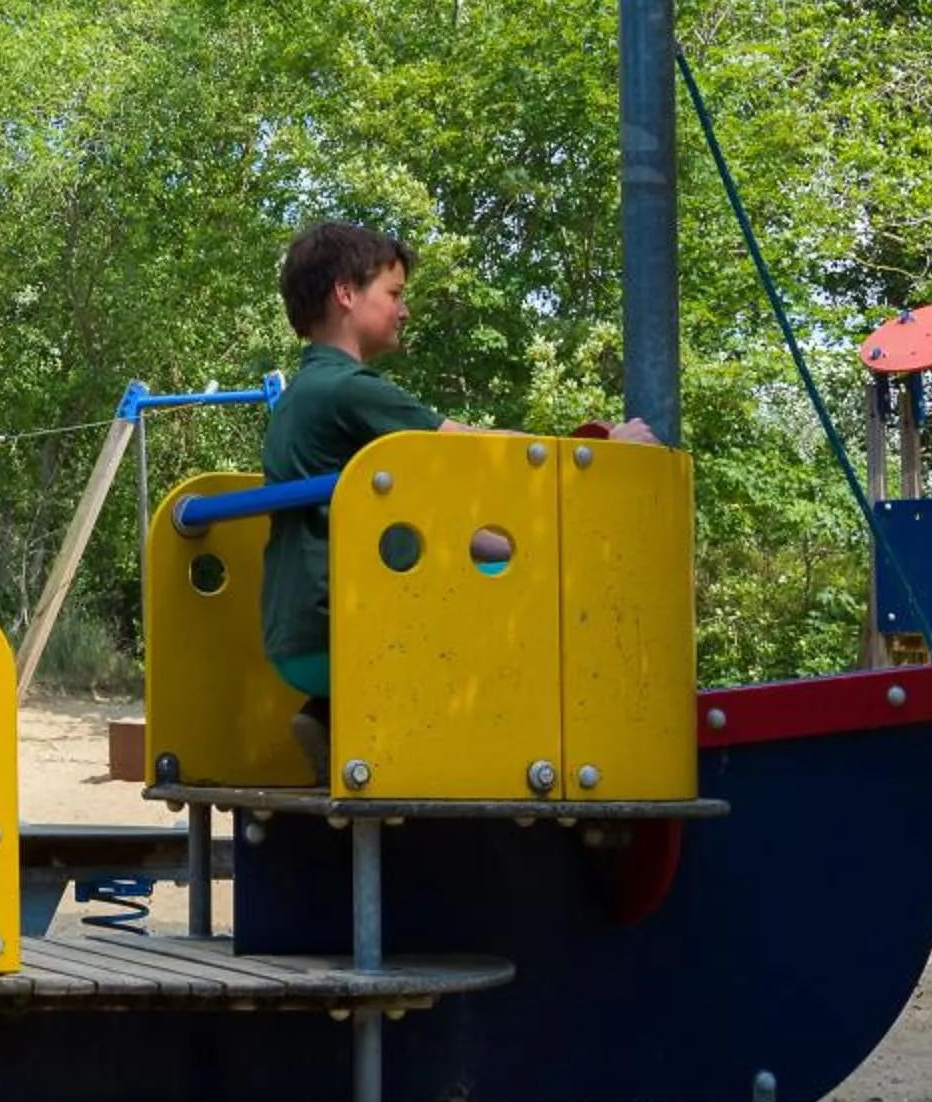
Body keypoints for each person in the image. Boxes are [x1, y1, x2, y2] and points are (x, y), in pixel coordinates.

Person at [258, 221, 655, 781]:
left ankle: (327, 717)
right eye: (394, 295)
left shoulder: (300, 396)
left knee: (493, 558)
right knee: (512, 614)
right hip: (346, 632)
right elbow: (477, 450)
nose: (405, 310)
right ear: (346, 294)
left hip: (294, 631)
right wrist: (597, 450)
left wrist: (502, 544)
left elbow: (423, 522)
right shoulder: (349, 390)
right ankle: (522, 762)